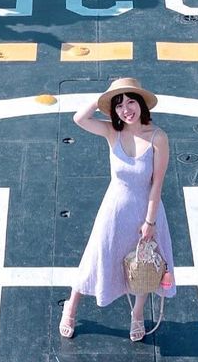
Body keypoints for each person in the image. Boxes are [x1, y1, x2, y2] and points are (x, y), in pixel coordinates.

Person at [60, 78, 176, 343]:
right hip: (114, 211)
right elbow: (79, 118)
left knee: (144, 264)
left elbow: (157, 183)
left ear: (142, 104)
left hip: (146, 211)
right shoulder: (113, 131)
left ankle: (137, 314)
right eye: (119, 105)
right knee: (94, 258)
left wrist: (150, 222)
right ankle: (71, 306)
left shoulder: (159, 138)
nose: (126, 109)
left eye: (131, 101)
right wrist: (104, 96)